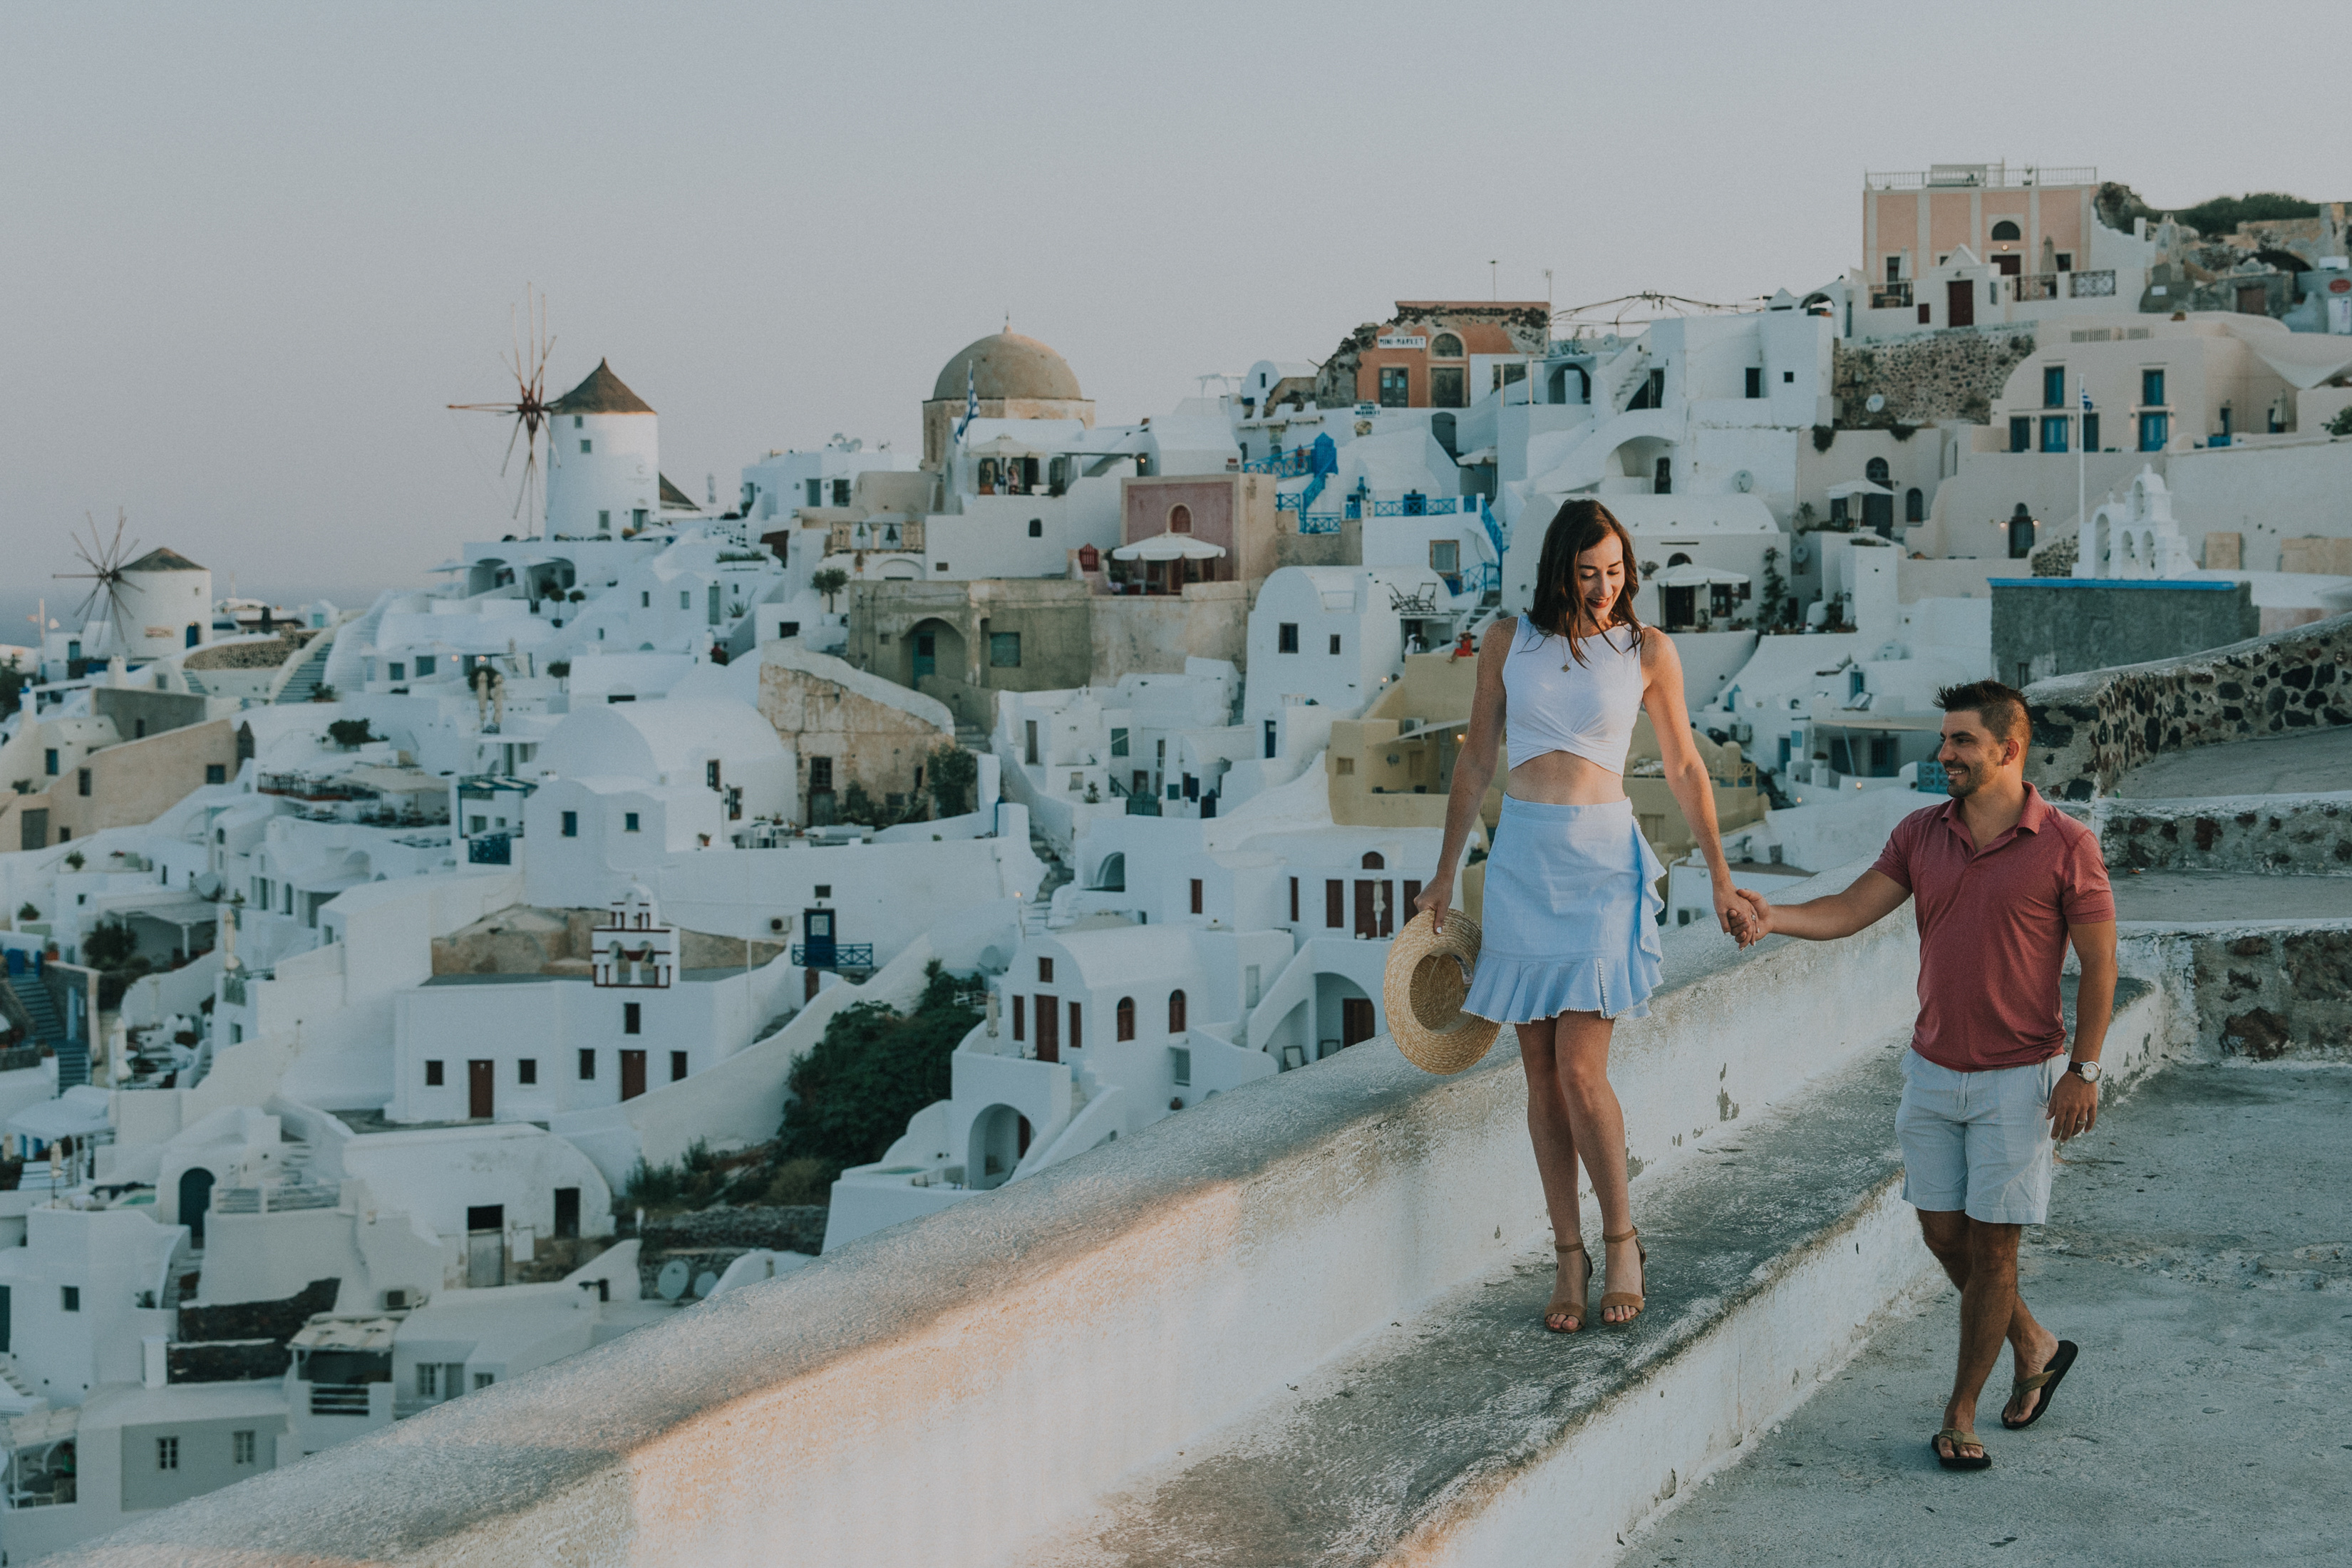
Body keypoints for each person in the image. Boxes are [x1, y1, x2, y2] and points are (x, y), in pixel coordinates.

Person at [1731, 679, 2115, 1472]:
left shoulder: (2066, 844)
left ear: (2009, 749)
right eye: (1944, 740)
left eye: (1961, 741)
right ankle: (2035, 1343)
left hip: (2019, 1078)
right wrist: (1776, 918)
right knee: (1945, 1235)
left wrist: (2084, 1068)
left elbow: (2102, 963)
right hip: (1933, 1070)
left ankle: (1960, 1411)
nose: (1944, 754)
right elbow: (1850, 908)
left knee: (1995, 1250)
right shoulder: (1920, 832)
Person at [1415, 499, 1751, 1334]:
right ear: (1558, 569)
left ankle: (1623, 1238)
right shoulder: (1508, 642)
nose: (1605, 587)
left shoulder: (1647, 650)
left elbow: (1685, 767)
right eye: (1588, 572)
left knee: (1579, 1069)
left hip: (1603, 862)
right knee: (1537, 1074)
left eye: (1616, 571)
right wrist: (1444, 872)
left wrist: (1720, 875)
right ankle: (1569, 1254)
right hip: (1523, 863)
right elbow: (1477, 761)